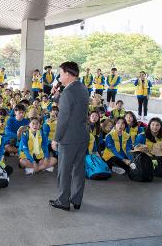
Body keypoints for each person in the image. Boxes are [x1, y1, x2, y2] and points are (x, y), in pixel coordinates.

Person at [49, 61, 89, 211]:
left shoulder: (68, 92)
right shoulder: (82, 88)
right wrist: (57, 96)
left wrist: (55, 139)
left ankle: (63, 201)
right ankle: (76, 199)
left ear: (67, 73)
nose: (59, 76)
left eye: (60, 73)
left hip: (68, 138)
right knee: (78, 169)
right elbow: (72, 107)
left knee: (64, 171)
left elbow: (63, 119)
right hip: (82, 135)